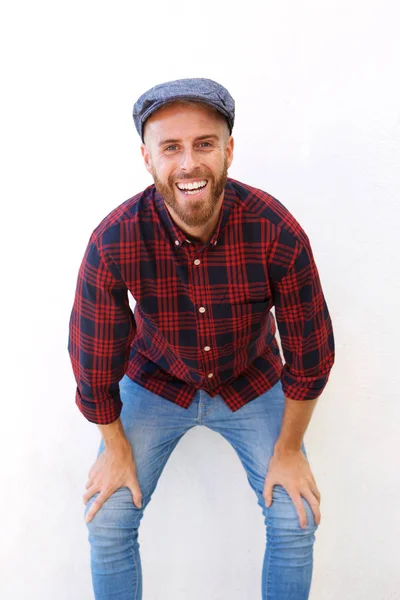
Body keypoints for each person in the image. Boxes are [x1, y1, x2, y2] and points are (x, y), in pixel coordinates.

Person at [68, 77, 335, 600]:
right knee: (106, 518)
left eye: (204, 144)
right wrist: (115, 446)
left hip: (252, 380)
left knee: (295, 517)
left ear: (229, 150)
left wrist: (288, 449)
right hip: (155, 382)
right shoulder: (115, 239)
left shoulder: (275, 229)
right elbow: (94, 362)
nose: (188, 163)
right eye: (171, 147)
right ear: (148, 159)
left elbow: (310, 354)